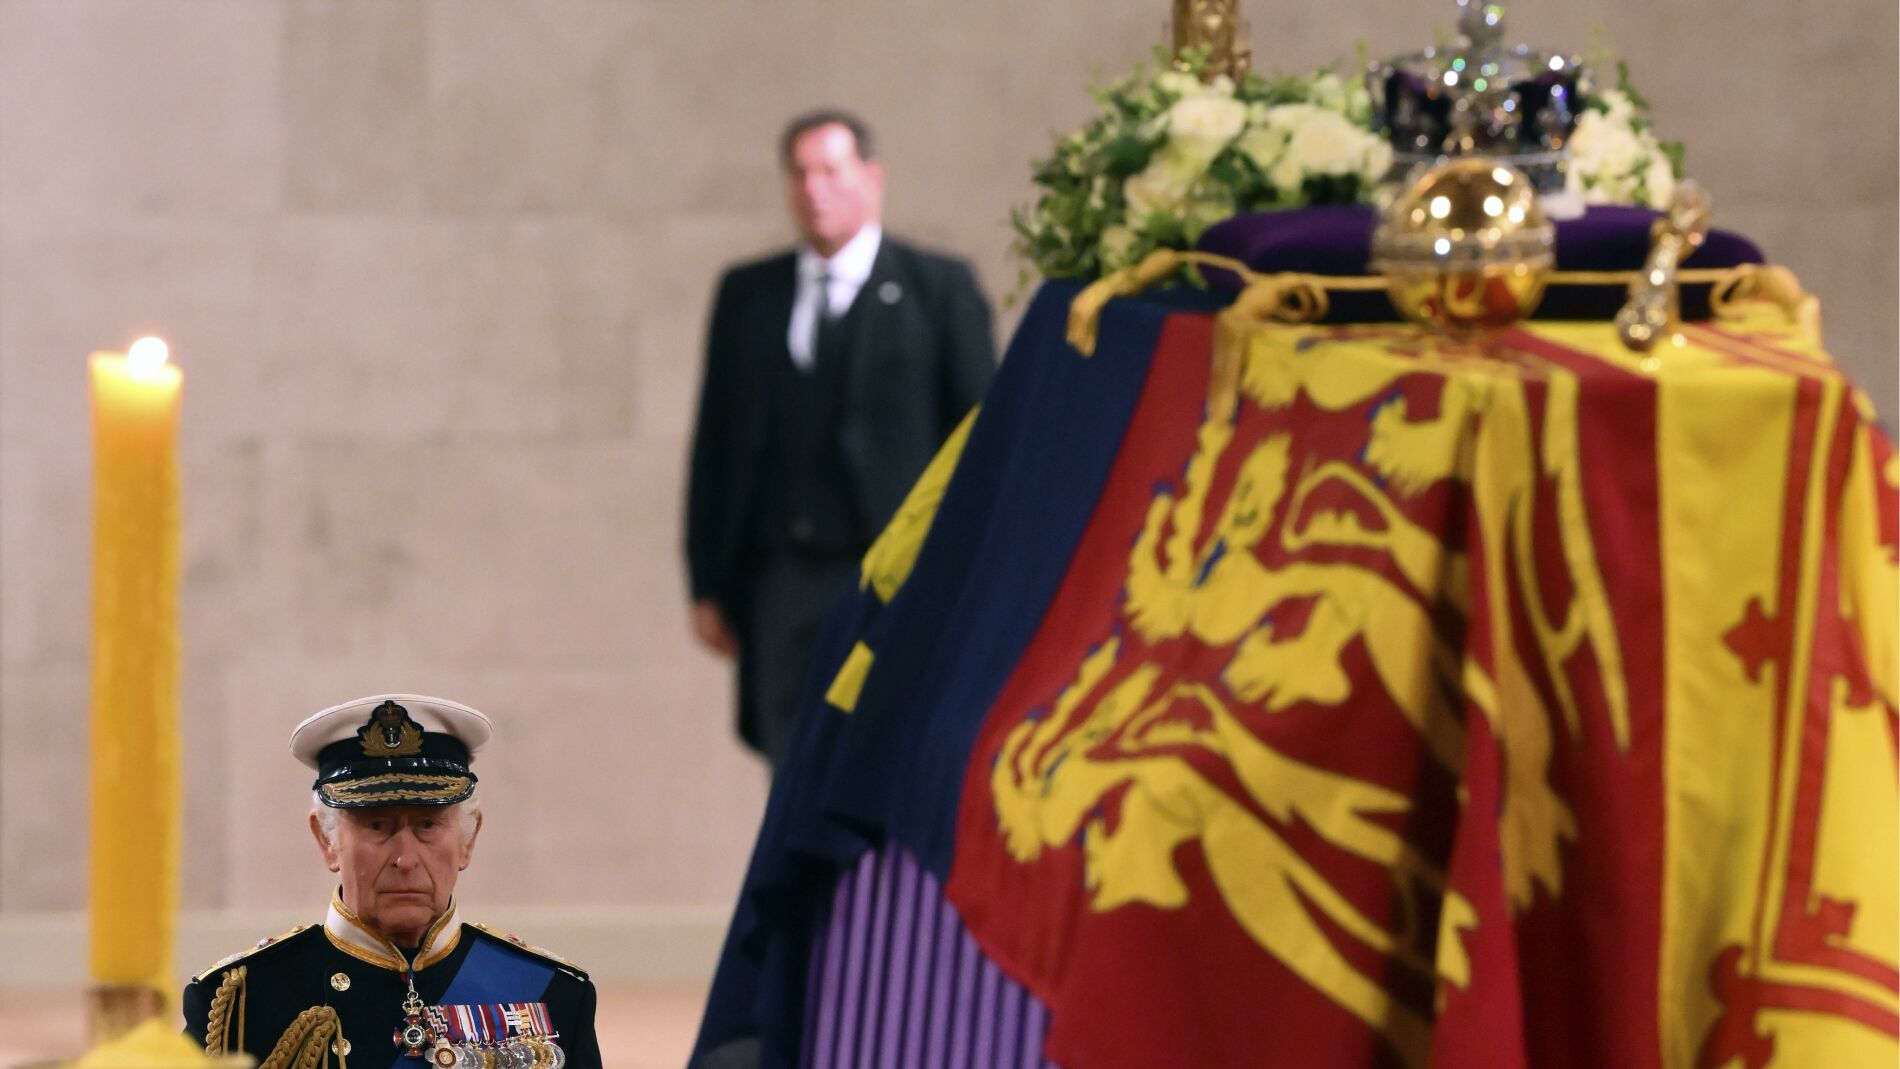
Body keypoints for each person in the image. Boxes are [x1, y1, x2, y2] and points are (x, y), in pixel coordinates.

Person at [685, 109, 997, 769]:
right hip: (781, 581)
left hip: (899, 576)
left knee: (893, 751)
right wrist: (706, 582)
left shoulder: (938, 290)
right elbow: (715, 444)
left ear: (871, 178)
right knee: (791, 759)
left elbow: (982, 444)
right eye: (800, 174)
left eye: (830, 171)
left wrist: (971, 573)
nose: (814, 189)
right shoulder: (749, 295)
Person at [182, 694, 602, 1069]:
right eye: (377, 826)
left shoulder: (555, 995)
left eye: (427, 825)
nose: (405, 859)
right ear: (327, 841)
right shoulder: (240, 1005)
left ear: (468, 840)